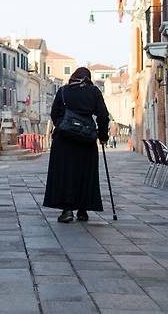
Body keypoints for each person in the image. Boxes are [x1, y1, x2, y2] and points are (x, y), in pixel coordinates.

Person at [43, 67, 110, 223]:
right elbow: (103, 116)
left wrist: (63, 126)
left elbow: (55, 113)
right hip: (86, 141)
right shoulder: (94, 92)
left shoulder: (63, 91)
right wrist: (103, 136)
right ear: (87, 78)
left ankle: (67, 211)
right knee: (85, 174)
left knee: (65, 174)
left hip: (64, 140)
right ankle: (82, 210)